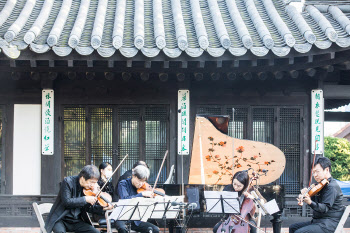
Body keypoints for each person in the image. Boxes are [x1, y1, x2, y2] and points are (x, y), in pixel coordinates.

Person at [45, 165, 113, 233]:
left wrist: (103, 208)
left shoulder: (87, 190)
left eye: (95, 183)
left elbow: (88, 208)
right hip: (60, 219)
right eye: (91, 182)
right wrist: (85, 199)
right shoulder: (67, 182)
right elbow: (67, 202)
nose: (92, 185)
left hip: (76, 221)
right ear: (83, 178)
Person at [289, 157, 345, 233]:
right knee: (293, 227)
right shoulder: (322, 185)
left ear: (327, 170)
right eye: (313, 172)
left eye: (317, 171)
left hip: (328, 224)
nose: (315, 175)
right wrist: (307, 197)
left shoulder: (332, 187)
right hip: (319, 222)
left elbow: (324, 208)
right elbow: (317, 204)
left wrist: (310, 202)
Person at [114, 165, 160, 233]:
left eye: (143, 181)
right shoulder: (123, 184)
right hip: (122, 218)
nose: (141, 184)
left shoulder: (144, 188)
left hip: (136, 220)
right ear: (133, 176)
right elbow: (125, 199)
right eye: (139, 180)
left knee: (155, 229)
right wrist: (141, 195)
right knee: (123, 229)